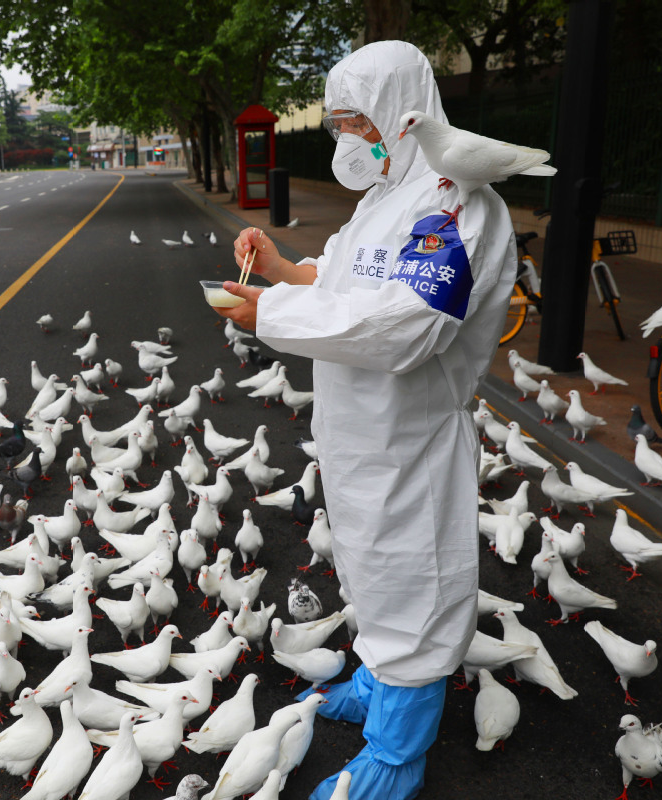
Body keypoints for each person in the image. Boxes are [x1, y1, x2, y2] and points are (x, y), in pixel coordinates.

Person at [215, 41, 518, 800]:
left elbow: (411, 323)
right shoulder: (384, 196)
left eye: (357, 121)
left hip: (410, 437)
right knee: (367, 571)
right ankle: (382, 686)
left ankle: (397, 754)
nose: (348, 136)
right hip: (356, 432)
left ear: (398, 113)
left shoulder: (456, 204)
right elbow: (343, 279)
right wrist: (283, 269)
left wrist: (273, 311)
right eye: (343, 122)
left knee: (413, 579)